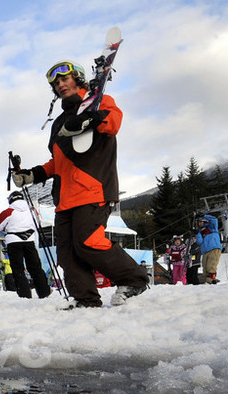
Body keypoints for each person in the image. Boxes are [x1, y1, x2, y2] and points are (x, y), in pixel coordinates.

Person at [12, 61, 148, 307]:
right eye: (56, 83)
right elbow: (58, 162)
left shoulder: (100, 102)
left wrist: (90, 119)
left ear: (79, 79)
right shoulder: (59, 122)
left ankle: (134, 279)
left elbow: (114, 122)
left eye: (65, 79)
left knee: (89, 241)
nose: (60, 85)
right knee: (66, 253)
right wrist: (33, 174)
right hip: (65, 197)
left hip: (93, 188)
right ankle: (85, 299)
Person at [0, 191, 52, 299]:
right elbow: (37, 223)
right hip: (29, 241)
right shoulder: (32, 210)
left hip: (13, 241)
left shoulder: (8, 212)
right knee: (35, 267)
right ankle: (44, 292)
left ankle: (25, 294)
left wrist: (7, 229)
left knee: (18, 269)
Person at [198, 214, 222, 284]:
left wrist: (204, 216)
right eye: (199, 222)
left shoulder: (211, 227)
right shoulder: (200, 231)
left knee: (211, 265)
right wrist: (197, 233)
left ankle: (211, 278)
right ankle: (206, 279)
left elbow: (214, 219)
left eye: (201, 221)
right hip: (205, 250)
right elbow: (199, 241)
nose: (200, 223)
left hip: (214, 247)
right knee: (204, 266)